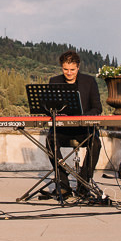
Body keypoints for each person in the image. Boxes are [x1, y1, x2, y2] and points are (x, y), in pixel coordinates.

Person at [44, 50, 102, 198]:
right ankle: (63, 184)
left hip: (83, 129)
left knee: (95, 142)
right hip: (63, 130)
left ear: (78, 67)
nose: (69, 73)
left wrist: (82, 117)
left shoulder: (89, 82)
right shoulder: (54, 81)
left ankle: (83, 183)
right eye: (65, 69)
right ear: (61, 67)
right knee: (50, 141)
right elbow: (48, 107)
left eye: (72, 70)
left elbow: (97, 108)